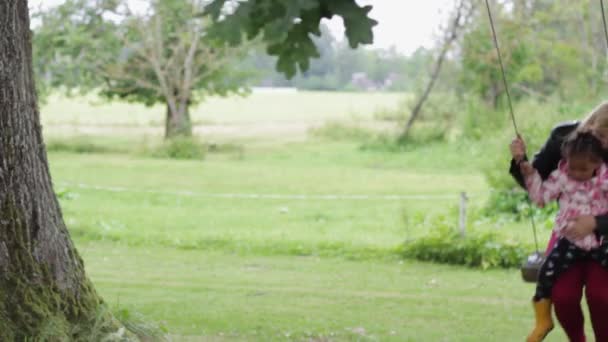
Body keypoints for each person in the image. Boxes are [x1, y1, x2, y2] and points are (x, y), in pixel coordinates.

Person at [509, 101, 608, 342]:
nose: (605, 144)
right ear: (591, 124)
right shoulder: (563, 142)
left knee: (601, 295)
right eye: (603, 135)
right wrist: (520, 162)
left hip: (604, 237)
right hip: (569, 234)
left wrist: (596, 223)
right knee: (563, 295)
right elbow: (538, 185)